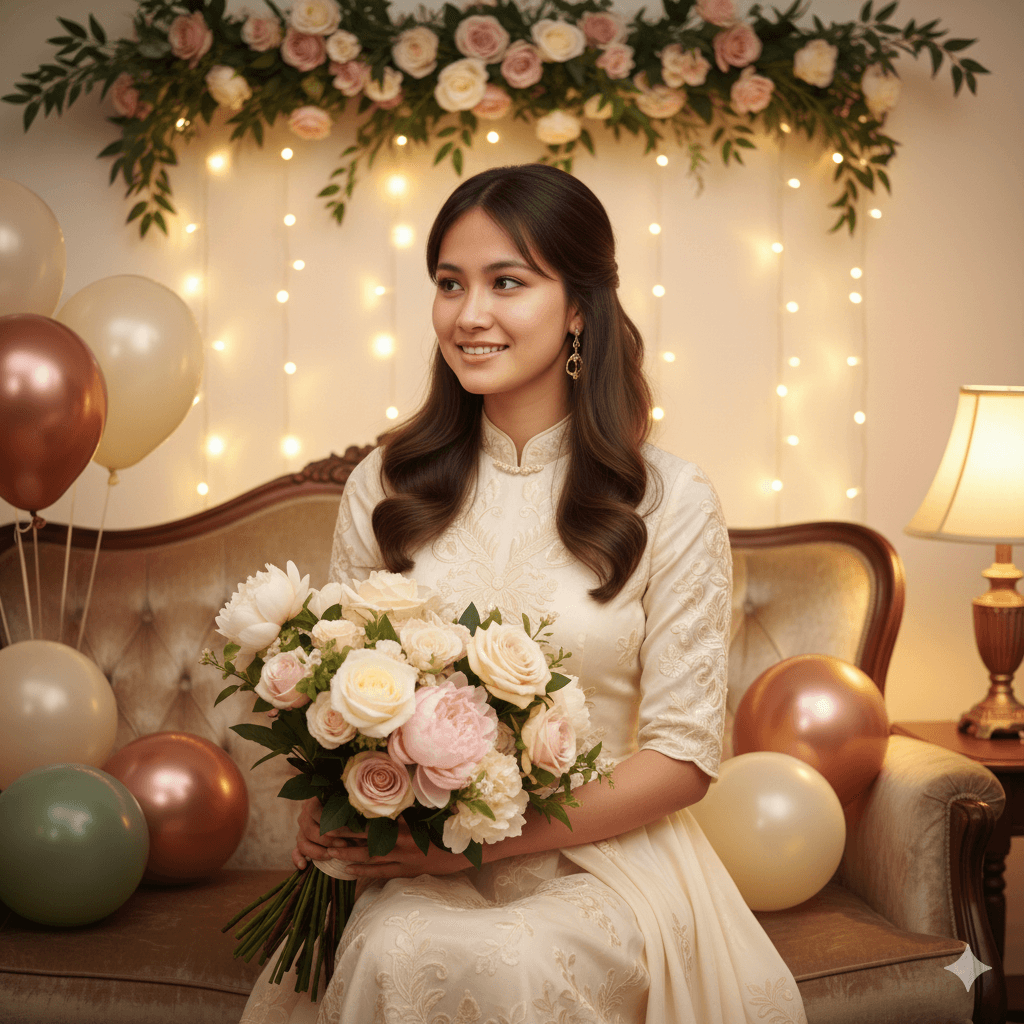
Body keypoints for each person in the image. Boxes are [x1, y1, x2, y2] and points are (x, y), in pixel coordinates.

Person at [240, 163, 806, 1024]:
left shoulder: (670, 498)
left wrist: (479, 845)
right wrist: (332, 806)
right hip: (413, 862)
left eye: (508, 282)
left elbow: (684, 758)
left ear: (578, 306)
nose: (470, 315)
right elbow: (337, 692)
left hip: (607, 861)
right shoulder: (384, 485)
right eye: (449, 284)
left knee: (516, 962)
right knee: (399, 948)